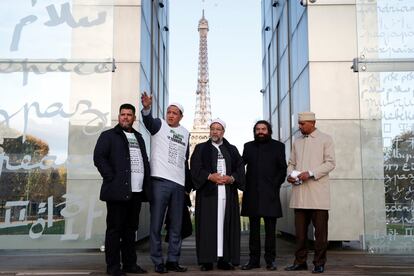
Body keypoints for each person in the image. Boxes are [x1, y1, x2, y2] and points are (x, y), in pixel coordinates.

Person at [93, 103, 151, 276]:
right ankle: (113, 267)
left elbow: (144, 161)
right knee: (115, 230)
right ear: (119, 117)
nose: (125, 117)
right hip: (117, 191)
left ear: (134, 117)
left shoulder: (139, 137)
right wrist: (111, 177)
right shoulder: (108, 136)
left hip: (137, 191)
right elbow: (99, 157)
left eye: (129, 114)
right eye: (122, 114)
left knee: (130, 230)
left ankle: (129, 264)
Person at [141, 92, 191, 274]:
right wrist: (147, 108)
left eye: (175, 112)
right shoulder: (159, 125)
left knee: (176, 226)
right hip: (159, 181)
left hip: (179, 184)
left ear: (181, 116)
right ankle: (158, 261)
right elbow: (148, 122)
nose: (170, 115)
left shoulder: (186, 133)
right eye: (169, 112)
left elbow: (185, 160)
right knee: (156, 224)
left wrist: (187, 186)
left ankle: (173, 260)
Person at [190, 118, 245, 271]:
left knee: (226, 225)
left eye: (218, 129)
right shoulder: (201, 148)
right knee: (208, 226)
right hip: (209, 194)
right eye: (212, 128)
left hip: (227, 192)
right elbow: (195, 167)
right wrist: (209, 176)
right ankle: (207, 260)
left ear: (223, 132)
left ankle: (224, 260)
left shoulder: (232, 149)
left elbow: (240, 169)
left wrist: (231, 178)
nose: (215, 131)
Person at [284, 112, 335, 274]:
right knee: (300, 234)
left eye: (302, 124)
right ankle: (300, 262)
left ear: (313, 123)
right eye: (299, 124)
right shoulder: (297, 142)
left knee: (320, 234)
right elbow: (291, 163)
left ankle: (319, 263)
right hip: (300, 194)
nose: (299, 127)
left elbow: (330, 163)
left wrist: (311, 173)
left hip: (318, 195)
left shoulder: (326, 139)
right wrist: (290, 175)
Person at [241, 120, 287, 271]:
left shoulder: (279, 146)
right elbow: (240, 167)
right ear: (254, 131)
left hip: (270, 194)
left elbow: (282, 169)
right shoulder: (248, 146)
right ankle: (253, 261)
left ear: (269, 131)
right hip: (252, 194)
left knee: (270, 231)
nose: (260, 132)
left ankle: (270, 261)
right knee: (253, 231)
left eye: (263, 129)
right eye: (258, 129)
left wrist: (275, 185)